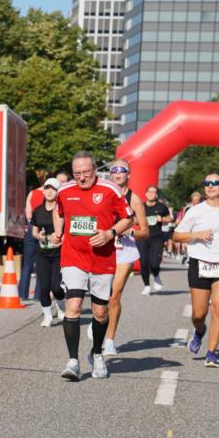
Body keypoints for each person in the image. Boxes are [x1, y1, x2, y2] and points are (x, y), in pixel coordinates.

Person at [51, 151, 134, 380]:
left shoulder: (110, 190)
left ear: (95, 170)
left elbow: (129, 218)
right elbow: (58, 212)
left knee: (100, 312)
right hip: (73, 257)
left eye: (86, 173)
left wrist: (110, 233)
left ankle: (97, 354)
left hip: (102, 258)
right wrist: (58, 231)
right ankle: (73, 362)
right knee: (74, 306)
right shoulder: (65, 190)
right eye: (77, 173)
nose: (82, 178)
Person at [173, 172, 219, 367]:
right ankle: (199, 331)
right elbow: (176, 236)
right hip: (200, 263)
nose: (210, 186)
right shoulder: (196, 211)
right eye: (207, 183)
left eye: (215, 183)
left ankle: (212, 353)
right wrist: (196, 234)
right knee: (198, 314)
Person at [95, 160, 147, 355]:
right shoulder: (104, 195)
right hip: (104, 247)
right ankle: (98, 321)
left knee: (114, 295)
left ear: (129, 174)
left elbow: (145, 231)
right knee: (100, 294)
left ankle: (109, 339)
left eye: (122, 170)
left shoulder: (134, 199)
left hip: (125, 250)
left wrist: (130, 233)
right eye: (114, 170)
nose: (117, 173)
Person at [31, 177, 65, 327]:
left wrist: (59, 238)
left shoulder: (62, 209)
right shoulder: (38, 210)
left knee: (56, 287)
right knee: (44, 287)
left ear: (58, 192)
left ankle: (61, 303)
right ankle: (48, 316)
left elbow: (68, 231)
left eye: (53, 189)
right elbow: (34, 231)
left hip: (59, 253)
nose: (49, 192)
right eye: (47, 188)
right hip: (43, 253)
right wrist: (39, 235)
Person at [137, 185, 171, 295]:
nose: (151, 194)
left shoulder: (161, 207)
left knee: (155, 263)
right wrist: (136, 221)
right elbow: (133, 219)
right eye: (149, 192)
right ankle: (146, 286)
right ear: (146, 194)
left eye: (154, 192)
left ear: (156, 195)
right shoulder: (140, 206)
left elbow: (170, 218)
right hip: (142, 238)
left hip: (156, 238)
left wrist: (163, 219)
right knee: (144, 262)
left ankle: (156, 275)